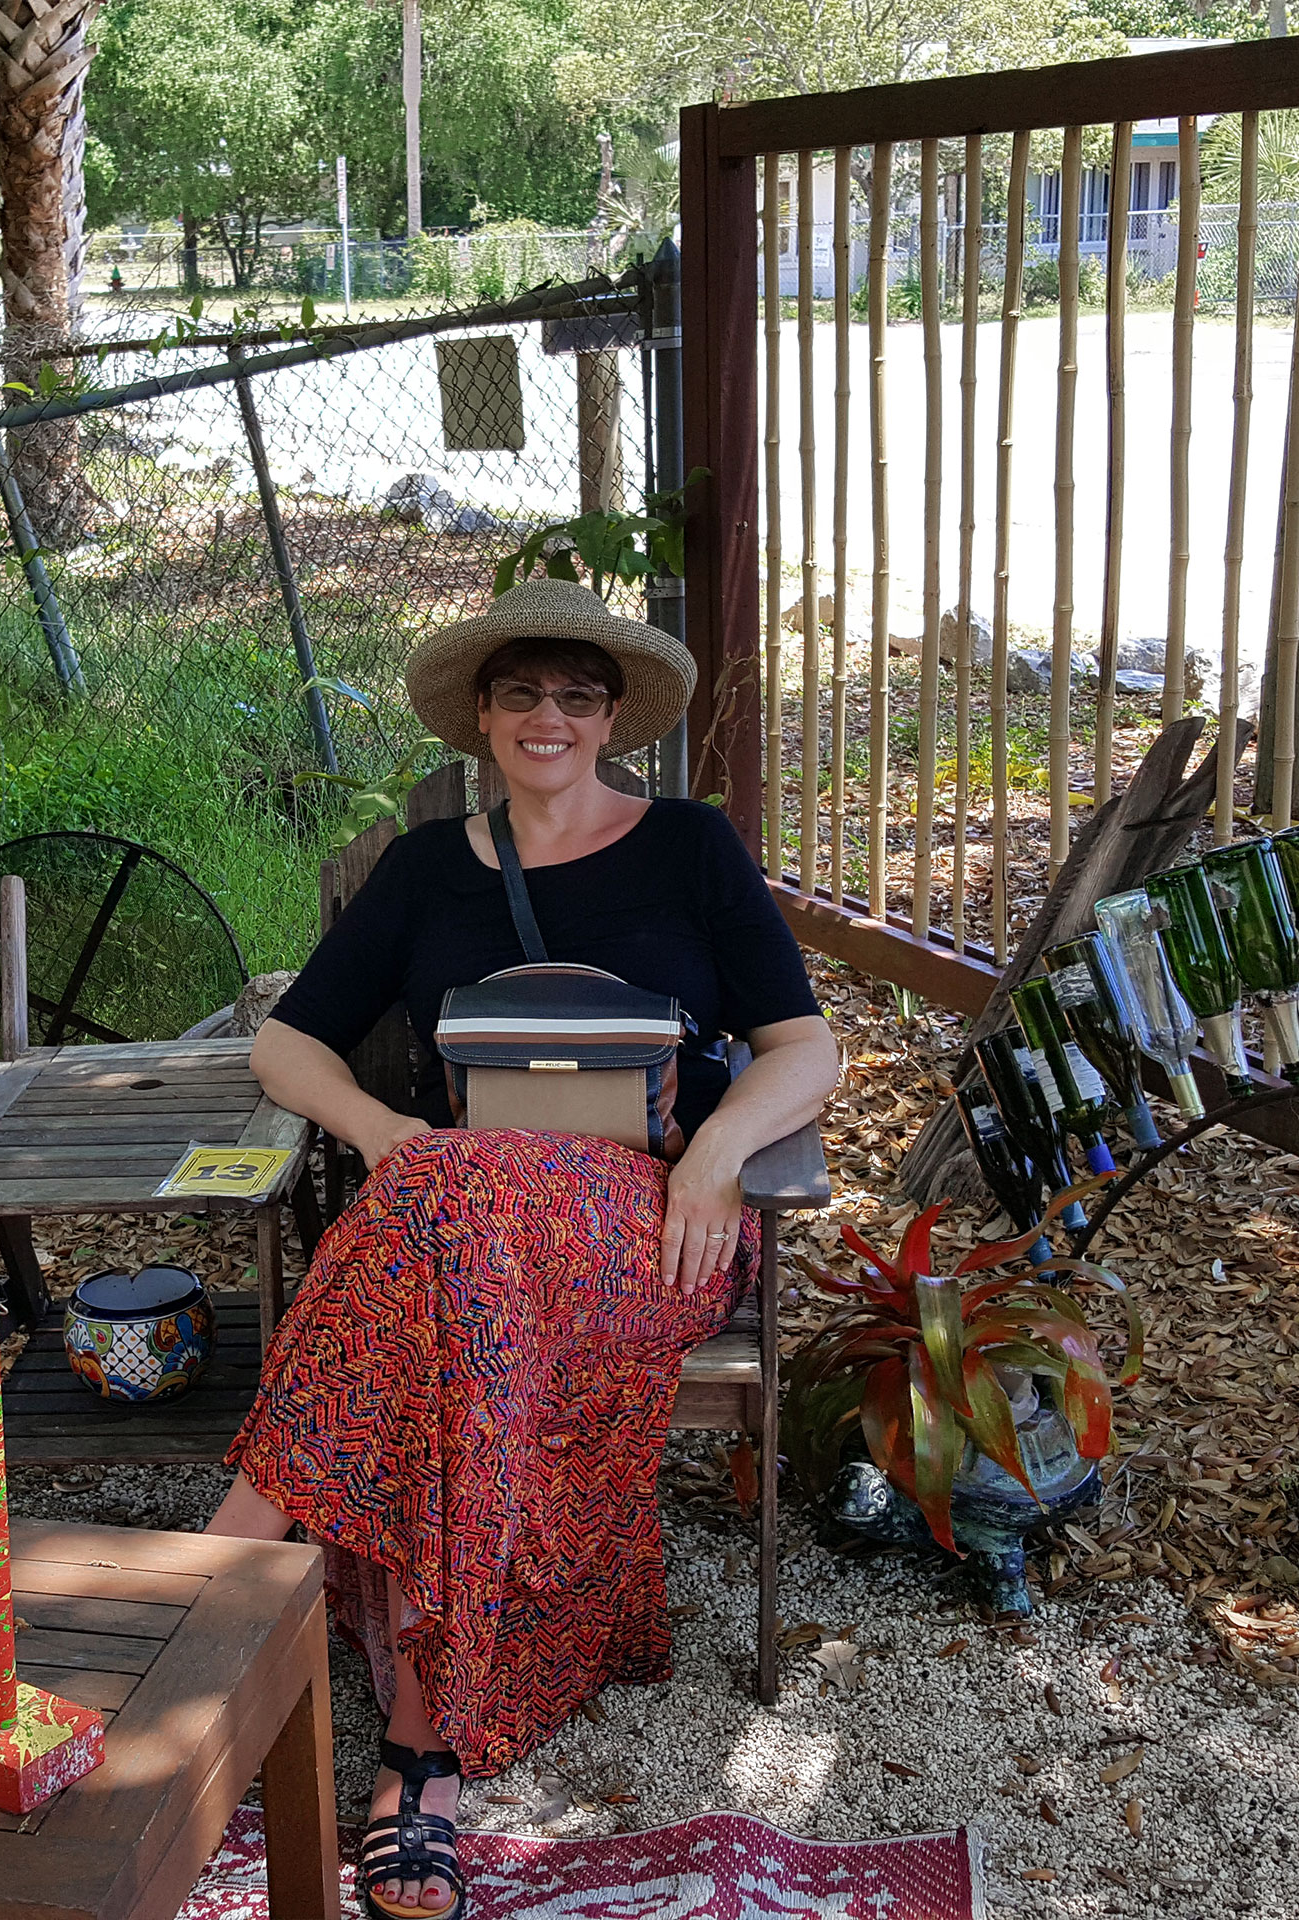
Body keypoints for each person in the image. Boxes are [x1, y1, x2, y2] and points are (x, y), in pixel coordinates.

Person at [204, 577, 840, 1920]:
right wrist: (382, 1130)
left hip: (636, 1224)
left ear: (613, 718)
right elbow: (282, 1041)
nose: (549, 716)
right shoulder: (434, 865)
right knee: (452, 1242)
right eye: (522, 694)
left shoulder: (688, 849)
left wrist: (717, 1156)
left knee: (445, 1225)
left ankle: (215, 1597)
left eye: (578, 695)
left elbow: (807, 1047)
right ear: (482, 720)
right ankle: (417, 1761)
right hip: (450, 1229)